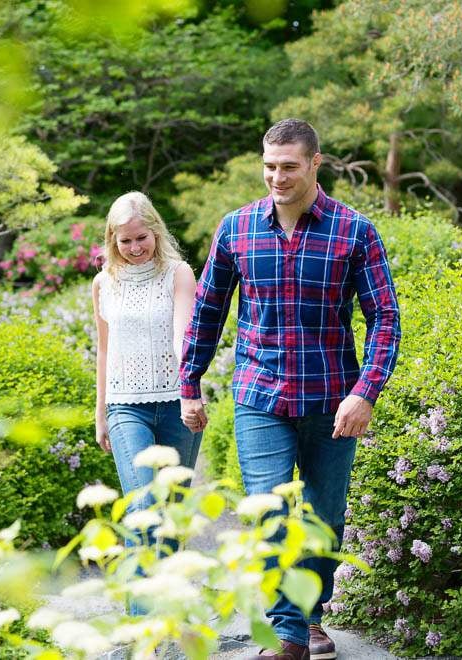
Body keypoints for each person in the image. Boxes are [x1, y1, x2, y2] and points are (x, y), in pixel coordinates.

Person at [179, 119, 401, 660]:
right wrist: (190, 383)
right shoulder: (237, 229)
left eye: (289, 167)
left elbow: (385, 318)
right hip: (260, 395)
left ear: (315, 164)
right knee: (269, 514)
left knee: (325, 518)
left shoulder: (354, 231)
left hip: (332, 401)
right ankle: (290, 634)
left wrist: (365, 392)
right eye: (269, 166)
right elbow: (207, 311)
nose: (277, 177)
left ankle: (310, 615)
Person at [92, 191, 202, 564]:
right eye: (125, 240)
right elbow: (104, 350)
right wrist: (100, 414)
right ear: (113, 240)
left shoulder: (178, 273)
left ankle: (169, 617)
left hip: (176, 405)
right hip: (126, 407)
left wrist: (191, 391)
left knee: (171, 515)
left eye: (141, 237)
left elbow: (181, 333)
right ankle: (143, 620)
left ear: (156, 231)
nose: (134, 247)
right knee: (144, 508)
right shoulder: (103, 283)